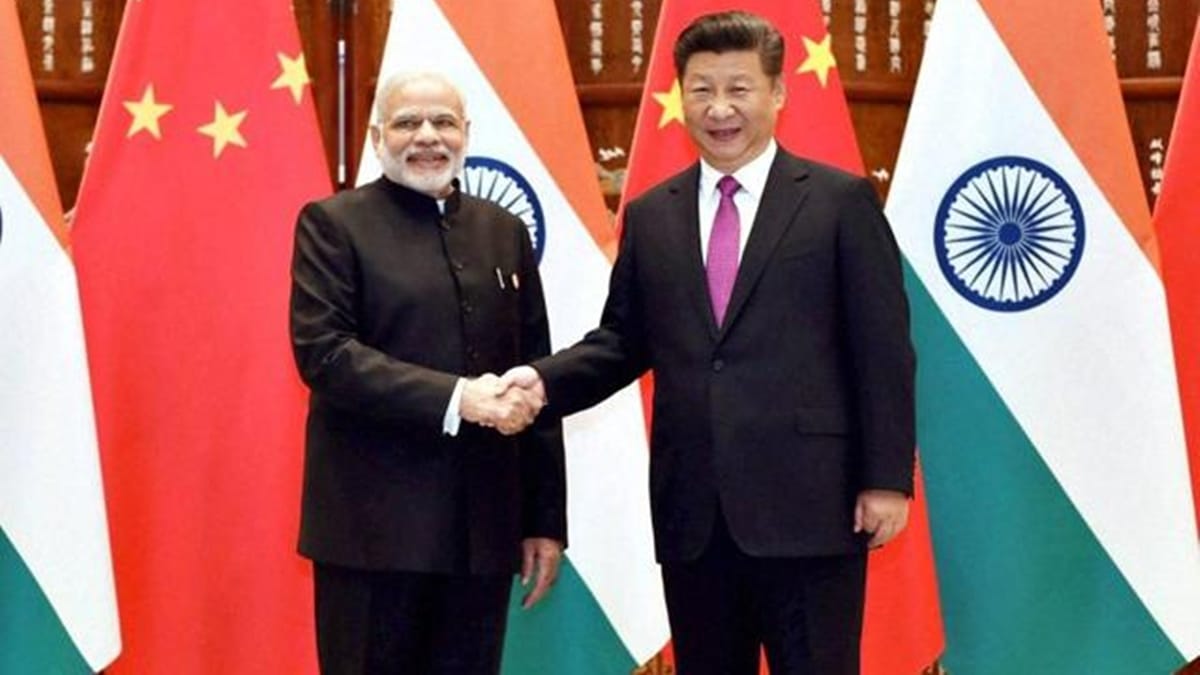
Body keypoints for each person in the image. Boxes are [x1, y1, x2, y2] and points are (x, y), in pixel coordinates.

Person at [504, 11, 914, 675]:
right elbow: (621, 341)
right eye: (701, 90)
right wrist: (540, 382)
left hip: (812, 507)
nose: (720, 108)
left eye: (739, 88)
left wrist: (885, 478)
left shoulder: (840, 203)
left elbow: (883, 350)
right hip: (694, 514)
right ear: (680, 98)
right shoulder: (652, 213)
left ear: (777, 94)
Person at [289, 71, 566, 674]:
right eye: (408, 122)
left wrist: (544, 521)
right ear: (377, 135)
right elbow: (326, 355)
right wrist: (459, 399)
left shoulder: (503, 231)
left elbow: (535, 378)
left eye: (443, 122)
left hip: (480, 535)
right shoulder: (333, 225)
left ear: (465, 133)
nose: (427, 137)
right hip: (371, 536)